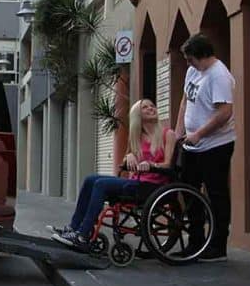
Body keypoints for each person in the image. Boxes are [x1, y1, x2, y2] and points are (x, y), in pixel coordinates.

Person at [51, 99, 177, 252]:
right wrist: (129, 156)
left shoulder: (167, 134)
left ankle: (82, 236)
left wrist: (152, 165)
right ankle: (72, 228)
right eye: (145, 107)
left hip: (153, 187)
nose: (151, 108)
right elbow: (124, 162)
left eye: (152, 106)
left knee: (101, 184)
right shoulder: (137, 137)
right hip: (136, 182)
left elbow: (169, 165)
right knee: (90, 179)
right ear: (138, 115)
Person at [175, 33, 235, 262]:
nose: (188, 64)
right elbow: (185, 100)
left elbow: (224, 112)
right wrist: (179, 131)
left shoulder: (218, 76)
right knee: (189, 191)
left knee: (216, 192)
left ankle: (218, 246)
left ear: (202, 55)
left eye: (191, 59)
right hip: (191, 145)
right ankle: (195, 241)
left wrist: (199, 134)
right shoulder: (194, 71)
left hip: (215, 145)